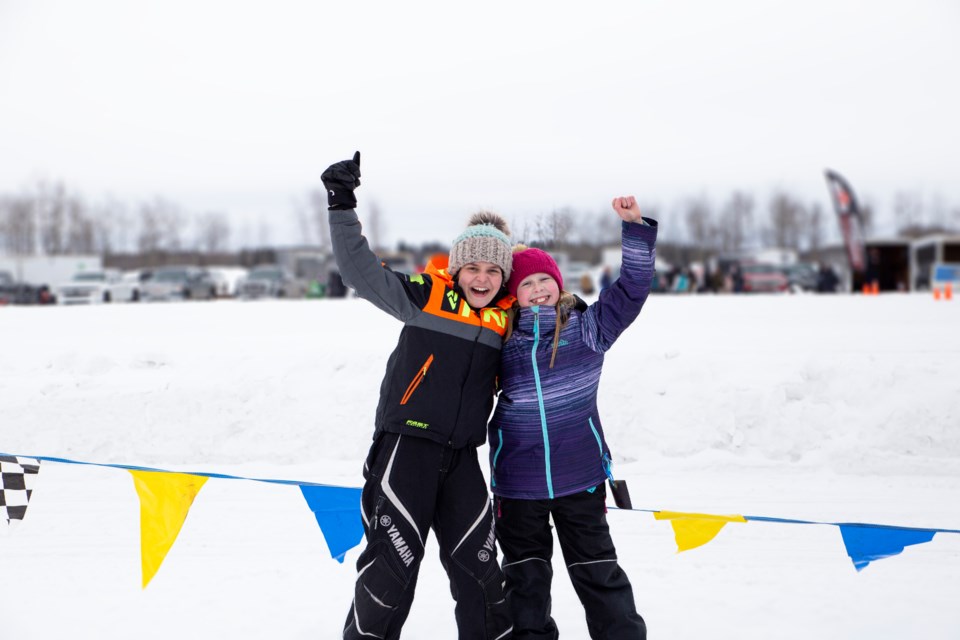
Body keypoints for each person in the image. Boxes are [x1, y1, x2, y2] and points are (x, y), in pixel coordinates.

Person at [322, 152, 514, 640]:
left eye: (493, 272)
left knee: (483, 577)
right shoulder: (426, 297)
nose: (482, 279)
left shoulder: (505, 323)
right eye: (471, 268)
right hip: (406, 451)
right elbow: (360, 271)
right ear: (456, 268)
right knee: (392, 572)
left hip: (463, 462)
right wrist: (342, 203)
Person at [489, 196, 656, 639]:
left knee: (599, 574)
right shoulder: (498, 341)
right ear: (514, 293)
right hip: (517, 483)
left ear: (559, 283)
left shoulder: (588, 330)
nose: (538, 288)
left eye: (546, 279)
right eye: (527, 283)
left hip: (580, 477)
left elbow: (632, 289)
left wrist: (635, 230)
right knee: (524, 583)